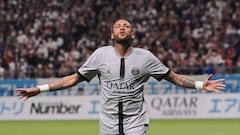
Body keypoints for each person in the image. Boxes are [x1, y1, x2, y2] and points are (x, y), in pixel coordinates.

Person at [16, 19, 226, 135]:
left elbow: (174, 78)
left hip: (135, 123)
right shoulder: (100, 55)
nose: (123, 27)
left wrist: (200, 85)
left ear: (133, 35)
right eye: (118, 26)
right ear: (112, 35)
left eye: (127, 26)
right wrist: (39, 89)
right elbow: (73, 79)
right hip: (107, 124)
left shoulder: (146, 58)